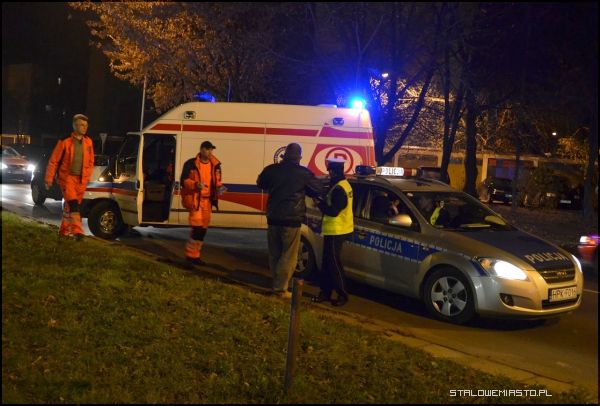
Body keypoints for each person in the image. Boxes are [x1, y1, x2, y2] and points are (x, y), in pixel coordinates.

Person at [256, 143, 323, 298]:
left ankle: (276, 283)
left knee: (275, 253)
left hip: (273, 217)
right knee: (289, 255)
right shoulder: (304, 173)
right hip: (292, 219)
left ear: (284, 155)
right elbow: (318, 189)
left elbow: (260, 183)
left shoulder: (272, 170)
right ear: (299, 157)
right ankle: (280, 289)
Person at [45, 114, 95, 240]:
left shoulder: (88, 142)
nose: (84, 127)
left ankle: (63, 231)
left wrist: (87, 176)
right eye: (81, 125)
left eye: (86, 125)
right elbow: (54, 161)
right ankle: (77, 231)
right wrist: (49, 179)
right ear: (74, 126)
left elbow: (91, 161)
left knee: (70, 207)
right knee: (73, 204)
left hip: (81, 180)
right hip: (67, 179)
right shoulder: (65, 141)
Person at [312, 158, 353, 306]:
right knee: (327, 263)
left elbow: (334, 211)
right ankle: (325, 292)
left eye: (329, 171)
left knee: (334, 264)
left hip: (337, 230)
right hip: (334, 230)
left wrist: (319, 204)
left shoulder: (340, 188)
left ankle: (342, 295)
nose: (328, 174)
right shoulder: (341, 185)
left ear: (333, 171)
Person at [180, 141, 227, 265]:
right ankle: (190, 256)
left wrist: (220, 188)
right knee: (197, 229)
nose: (210, 152)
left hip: (207, 202)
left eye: (211, 149)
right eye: (208, 149)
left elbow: (217, 181)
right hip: (195, 200)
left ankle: (195, 256)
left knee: (203, 231)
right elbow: (184, 181)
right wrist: (196, 184)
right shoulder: (191, 164)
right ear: (201, 150)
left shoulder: (215, 165)